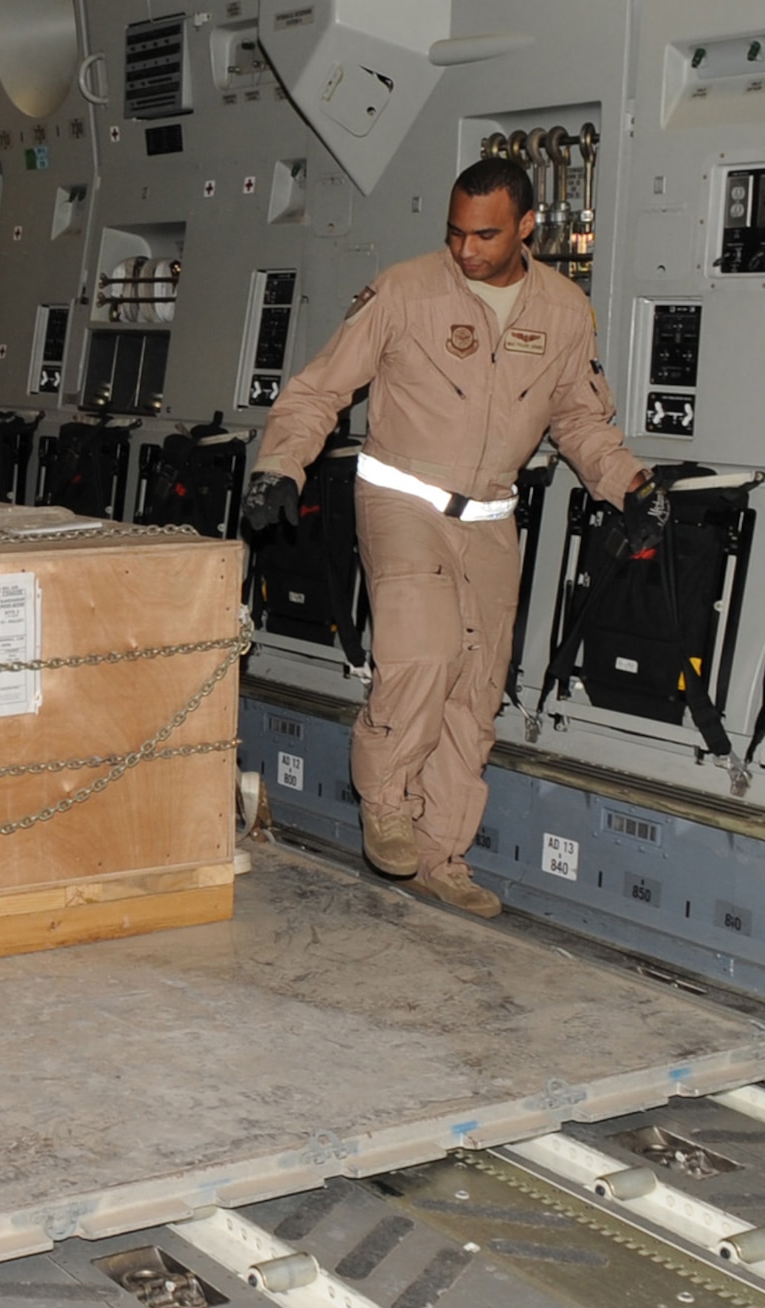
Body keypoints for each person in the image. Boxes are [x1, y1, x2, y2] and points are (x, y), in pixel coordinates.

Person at [242, 159, 669, 918]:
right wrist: (281, 466)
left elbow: (579, 420)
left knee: (475, 690)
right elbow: (321, 388)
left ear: (528, 227)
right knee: (424, 653)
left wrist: (628, 485)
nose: (466, 250)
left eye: (485, 235)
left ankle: (442, 853)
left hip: (490, 519)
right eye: (455, 232)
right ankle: (387, 801)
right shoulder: (406, 291)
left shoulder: (565, 311)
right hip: (401, 497)